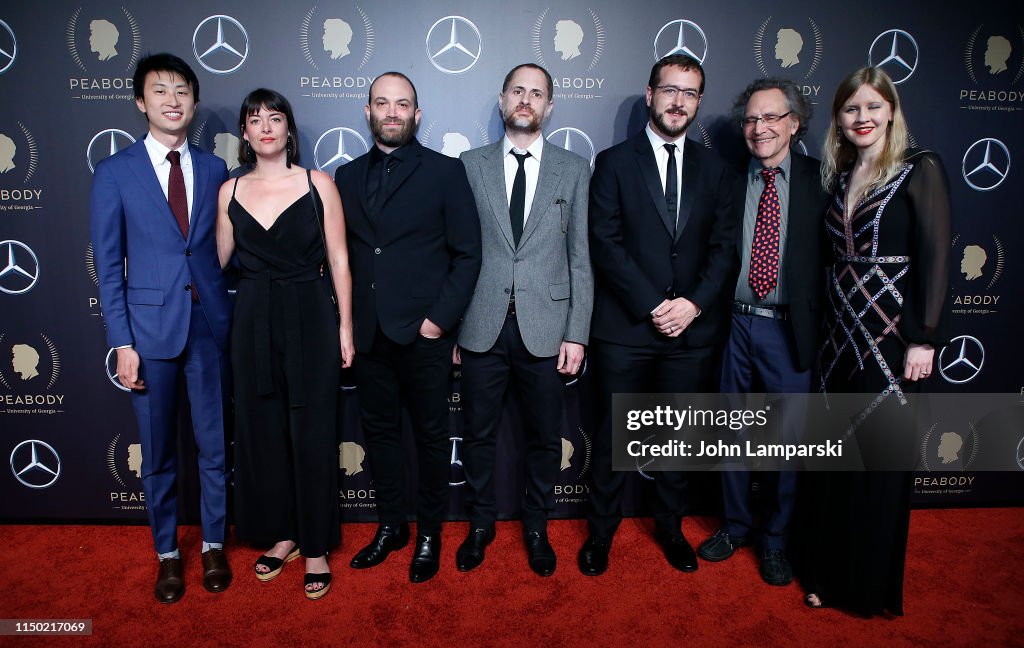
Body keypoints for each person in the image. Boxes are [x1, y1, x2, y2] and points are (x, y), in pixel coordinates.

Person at [579, 54, 738, 576]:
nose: (677, 101)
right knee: (609, 439)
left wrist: (691, 305)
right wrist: (652, 304)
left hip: (691, 333)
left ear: (698, 103)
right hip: (625, 329)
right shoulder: (614, 161)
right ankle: (600, 533)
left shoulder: (716, 169)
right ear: (650, 95)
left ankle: (670, 529)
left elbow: (724, 248)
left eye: (689, 93)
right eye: (669, 90)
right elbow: (605, 242)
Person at [802, 66, 950, 615]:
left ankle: (863, 588)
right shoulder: (839, 175)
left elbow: (935, 258)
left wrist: (923, 338)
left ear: (891, 110)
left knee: (878, 470)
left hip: (890, 346)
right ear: (838, 119)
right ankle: (825, 571)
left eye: (872, 107)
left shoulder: (919, 169)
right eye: (850, 109)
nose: (862, 118)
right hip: (838, 341)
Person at [90, 53, 232, 603]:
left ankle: (214, 543)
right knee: (159, 451)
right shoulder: (115, 173)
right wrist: (121, 342)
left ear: (194, 102)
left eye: (182, 91)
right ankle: (168, 553)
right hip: (148, 335)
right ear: (140, 102)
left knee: (215, 445)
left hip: (210, 327)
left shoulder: (216, 169)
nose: (173, 100)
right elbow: (108, 266)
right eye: (161, 91)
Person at [334, 72, 481, 583]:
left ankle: (430, 534)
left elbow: (468, 255)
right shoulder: (346, 178)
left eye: (402, 104)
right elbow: (345, 259)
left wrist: (438, 323)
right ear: (368, 111)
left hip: (424, 336)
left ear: (417, 115)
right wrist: (348, 324)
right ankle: (392, 525)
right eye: (382, 103)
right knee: (379, 435)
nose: (392, 112)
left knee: (432, 437)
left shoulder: (445, 173)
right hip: (371, 334)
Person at [216, 88, 353, 601]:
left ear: (289, 129)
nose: (266, 127)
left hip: (311, 313)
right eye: (255, 120)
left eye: (275, 118)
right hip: (252, 317)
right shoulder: (229, 191)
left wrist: (345, 328)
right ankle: (283, 535)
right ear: (245, 133)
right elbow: (216, 261)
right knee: (263, 430)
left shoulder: (318, 184)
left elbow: (340, 260)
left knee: (313, 430)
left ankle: (315, 544)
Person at [455, 63, 592, 576]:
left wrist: (576, 331)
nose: (526, 100)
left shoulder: (574, 169)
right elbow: (458, 253)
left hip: (547, 327)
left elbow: (581, 259)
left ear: (550, 106)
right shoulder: (469, 165)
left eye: (537, 93)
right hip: (480, 325)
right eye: (518, 91)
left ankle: (537, 526)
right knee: (477, 435)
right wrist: (453, 325)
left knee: (543, 438)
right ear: (502, 97)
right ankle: (480, 525)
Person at [695, 78, 828, 586]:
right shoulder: (727, 180)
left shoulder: (822, 181)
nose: (759, 128)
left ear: (794, 124)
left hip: (789, 331)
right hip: (734, 325)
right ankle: (734, 526)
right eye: (751, 119)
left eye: (771, 117)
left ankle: (775, 541)